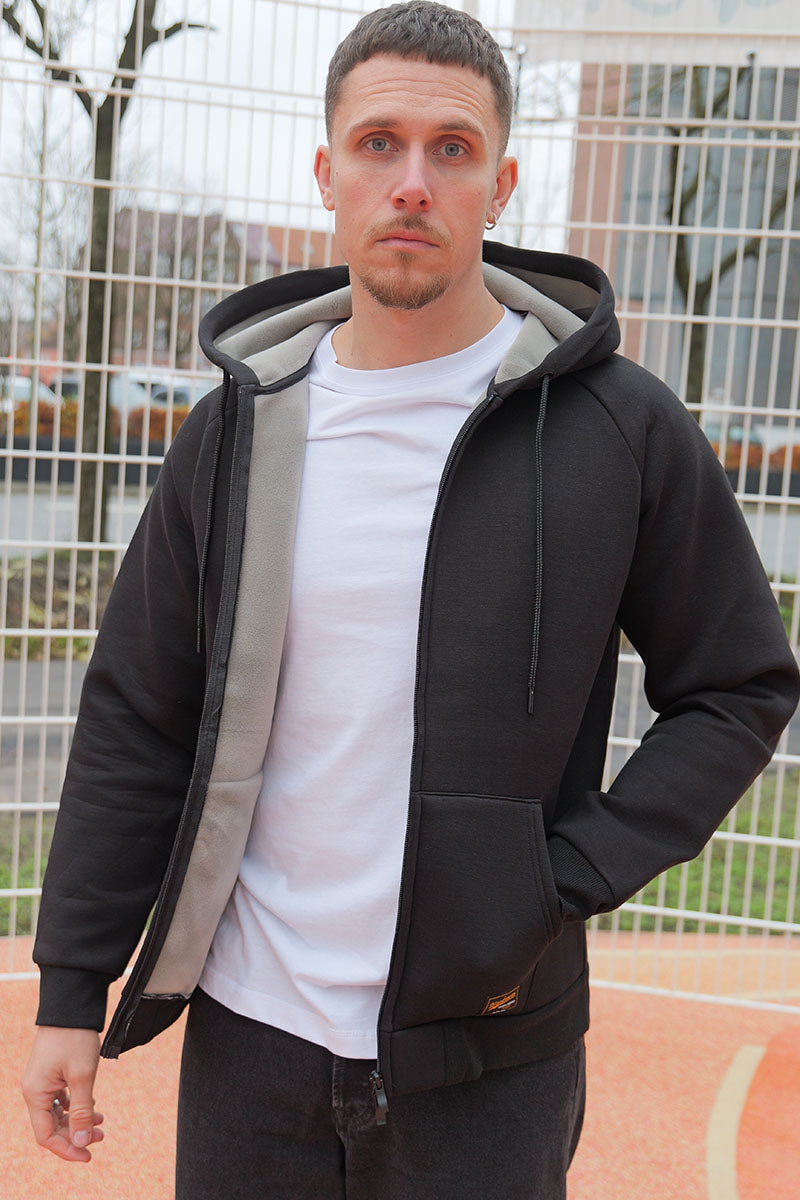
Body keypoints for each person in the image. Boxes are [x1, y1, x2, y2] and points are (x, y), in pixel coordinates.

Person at [21, 3, 799, 1197]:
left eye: (452, 149)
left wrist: (560, 879)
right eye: (377, 143)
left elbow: (737, 685)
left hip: (488, 1044)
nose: (411, 183)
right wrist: (73, 989)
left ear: (501, 186)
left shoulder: (618, 428)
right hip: (249, 1036)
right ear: (326, 172)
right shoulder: (236, 432)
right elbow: (138, 709)